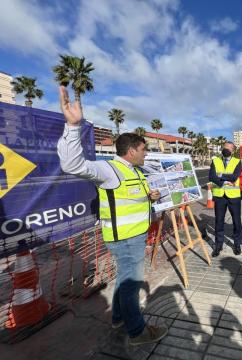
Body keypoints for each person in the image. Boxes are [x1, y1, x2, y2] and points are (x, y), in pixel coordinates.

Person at [56, 86, 167, 346]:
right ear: (130, 151)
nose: (146, 153)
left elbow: (131, 198)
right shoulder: (110, 170)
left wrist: (150, 198)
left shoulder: (136, 172)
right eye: (143, 149)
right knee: (131, 284)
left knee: (123, 280)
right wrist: (73, 127)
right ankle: (137, 331)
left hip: (135, 236)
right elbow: (73, 165)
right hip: (125, 239)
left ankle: (118, 318)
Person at [208, 141, 242, 257]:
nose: (226, 149)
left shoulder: (237, 161)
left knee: (236, 222)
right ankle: (218, 245)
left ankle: (237, 245)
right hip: (219, 195)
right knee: (219, 221)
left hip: (234, 196)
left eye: (228, 148)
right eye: (224, 147)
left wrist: (220, 176)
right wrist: (223, 180)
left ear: (233, 150)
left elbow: (234, 177)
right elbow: (211, 176)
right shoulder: (215, 160)